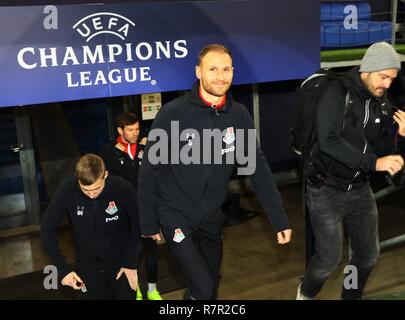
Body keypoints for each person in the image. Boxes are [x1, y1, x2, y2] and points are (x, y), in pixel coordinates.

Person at [137, 43, 292, 300]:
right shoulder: (172, 113)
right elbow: (149, 171)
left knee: (208, 289)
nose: (221, 76)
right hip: (176, 215)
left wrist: (279, 218)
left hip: (212, 218)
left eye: (227, 69)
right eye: (213, 69)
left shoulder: (239, 115)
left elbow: (258, 169)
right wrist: (148, 222)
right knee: (204, 286)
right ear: (198, 72)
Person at [297, 42, 404, 300]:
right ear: (367, 69)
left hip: (359, 189)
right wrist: (373, 164)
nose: (387, 85)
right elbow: (328, 141)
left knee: (366, 257)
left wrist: (401, 137)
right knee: (329, 259)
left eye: (392, 79)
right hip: (325, 190)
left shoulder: (380, 103)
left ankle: (350, 295)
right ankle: (306, 293)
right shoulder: (336, 92)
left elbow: (385, 151)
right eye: (383, 77)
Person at [41, 154, 140, 299]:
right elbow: (47, 230)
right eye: (85, 190)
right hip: (87, 268)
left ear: (105, 175)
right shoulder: (66, 191)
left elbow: (138, 222)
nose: (92, 195)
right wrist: (63, 270)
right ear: (77, 179)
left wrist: (131, 260)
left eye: (97, 189)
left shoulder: (122, 188)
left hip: (121, 265)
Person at [100, 112, 163, 300]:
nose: (135, 133)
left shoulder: (146, 146)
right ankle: (133, 290)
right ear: (120, 130)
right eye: (130, 130)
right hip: (123, 213)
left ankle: (152, 290)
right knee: (128, 252)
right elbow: (109, 182)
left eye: (137, 129)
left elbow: (155, 173)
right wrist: (123, 156)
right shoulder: (109, 151)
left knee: (151, 250)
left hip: (146, 209)